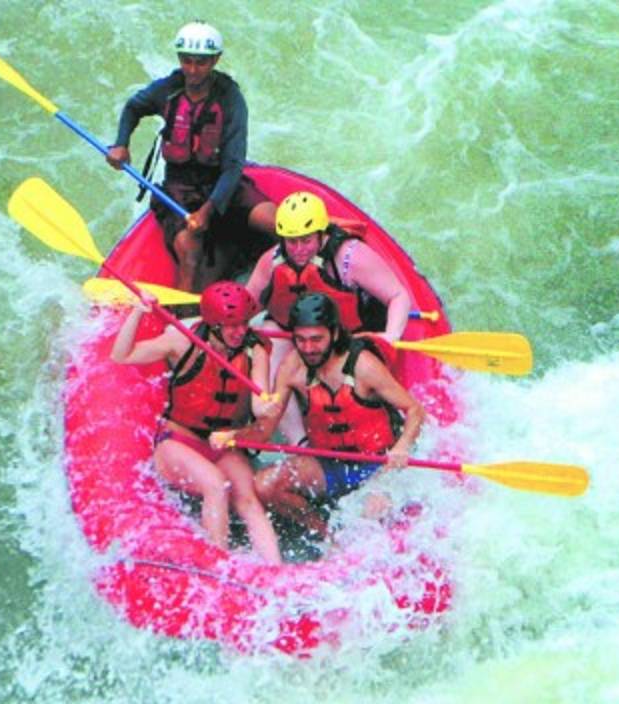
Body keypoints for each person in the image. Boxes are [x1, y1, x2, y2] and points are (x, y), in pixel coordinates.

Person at [215, 293, 425, 539]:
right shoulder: (292, 367)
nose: (308, 348)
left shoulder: (363, 366)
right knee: (265, 485)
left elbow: (415, 410)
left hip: (378, 462)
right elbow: (265, 429)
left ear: (334, 334)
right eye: (301, 340)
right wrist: (234, 436)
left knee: (371, 512)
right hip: (330, 462)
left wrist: (402, 446)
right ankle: (327, 536)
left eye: (316, 339)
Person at [110, 281, 281, 563]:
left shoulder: (255, 350)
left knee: (248, 499)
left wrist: (269, 406)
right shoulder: (183, 341)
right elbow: (122, 355)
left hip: (221, 444)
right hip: (178, 442)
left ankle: (275, 571)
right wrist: (138, 312)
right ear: (213, 325)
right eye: (232, 326)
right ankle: (218, 566)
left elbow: (258, 399)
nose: (240, 331)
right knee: (216, 485)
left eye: (243, 323)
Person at [106, 21, 276, 293]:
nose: (193, 70)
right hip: (178, 188)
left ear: (215, 60)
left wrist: (208, 210)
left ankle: (331, 241)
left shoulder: (231, 99)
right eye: (187, 61)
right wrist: (121, 145)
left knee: (273, 220)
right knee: (189, 251)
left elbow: (233, 166)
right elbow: (133, 107)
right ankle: (182, 324)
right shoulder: (167, 89)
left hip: (223, 183)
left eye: (202, 63)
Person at [240, 191, 412, 441]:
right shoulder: (273, 261)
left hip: (346, 337)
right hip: (296, 335)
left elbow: (398, 296)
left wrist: (391, 335)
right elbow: (245, 306)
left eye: (306, 240)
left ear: (322, 234)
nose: (298, 249)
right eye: (292, 241)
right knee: (270, 343)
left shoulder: (350, 257)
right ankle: (300, 441)